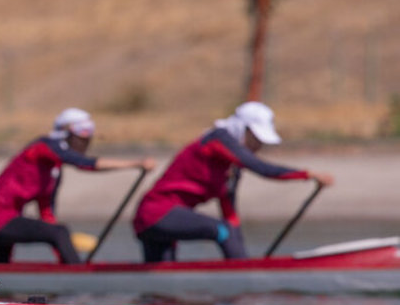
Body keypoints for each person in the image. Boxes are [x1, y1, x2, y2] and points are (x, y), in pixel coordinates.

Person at [133, 101, 335, 263]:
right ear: (241, 128)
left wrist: (244, 263)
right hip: (155, 213)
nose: (259, 145)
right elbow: (262, 168)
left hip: (167, 221)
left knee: (163, 291)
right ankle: (243, 301)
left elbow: (231, 216)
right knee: (221, 231)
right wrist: (309, 174)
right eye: (256, 138)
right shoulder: (218, 139)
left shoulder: (231, 168)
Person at [0, 108, 155, 265]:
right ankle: (78, 278)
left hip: (3, 225)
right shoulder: (42, 147)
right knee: (60, 232)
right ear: (65, 133)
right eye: (82, 138)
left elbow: (47, 215)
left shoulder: (53, 172)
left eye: (89, 139)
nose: (86, 143)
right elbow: (82, 163)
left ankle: (73, 273)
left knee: (0, 275)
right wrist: (135, 164)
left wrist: (63, 261)